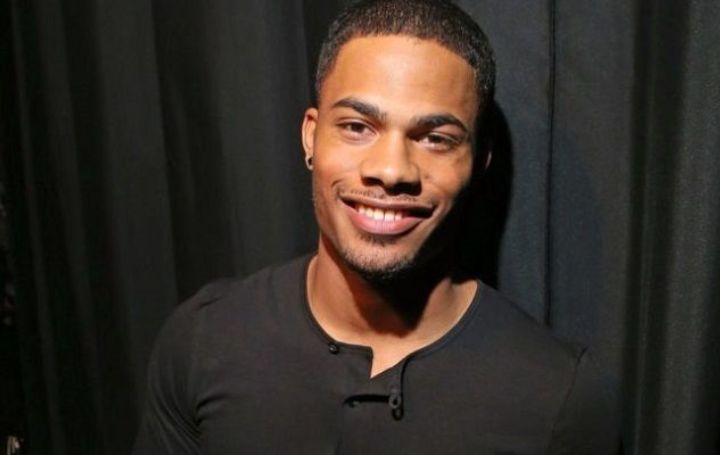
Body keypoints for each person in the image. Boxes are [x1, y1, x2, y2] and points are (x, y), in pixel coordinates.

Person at [133, 0, 620, 453]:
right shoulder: (205, 341)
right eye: (356, 127)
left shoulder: (559, 397)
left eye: (435, 138)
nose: (390, 170)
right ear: (311, 137)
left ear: (478, 162)